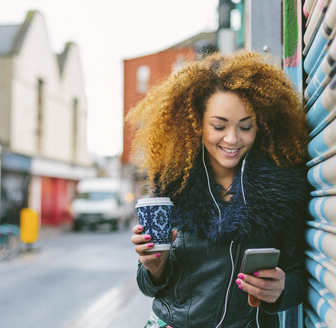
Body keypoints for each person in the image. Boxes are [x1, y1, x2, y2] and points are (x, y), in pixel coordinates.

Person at [127, 51, 310, 328]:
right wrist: (154, 267)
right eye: (219, 125)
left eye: (245, 126)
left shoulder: (281, 190)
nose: (233, 138)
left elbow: (297, 277)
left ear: (261, 125)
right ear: (196, 124)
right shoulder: (173, 186)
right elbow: (150, 285)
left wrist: (281, 289)